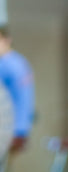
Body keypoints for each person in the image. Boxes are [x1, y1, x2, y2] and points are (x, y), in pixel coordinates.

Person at [0, 25, 34, 154]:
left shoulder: (5, 65)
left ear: (7, 40)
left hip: (9, 129)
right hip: (21, 128)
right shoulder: (20, 61)